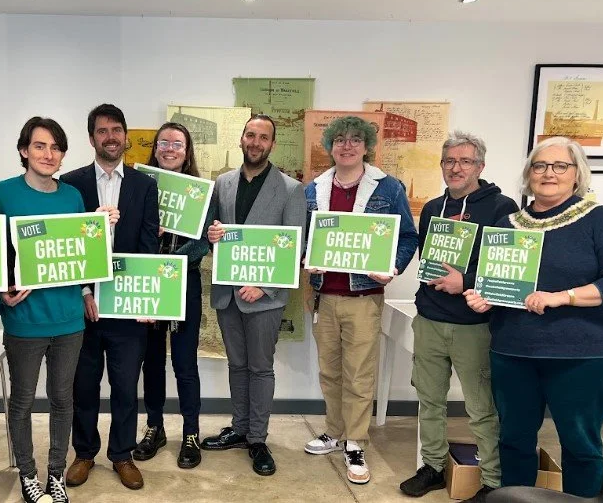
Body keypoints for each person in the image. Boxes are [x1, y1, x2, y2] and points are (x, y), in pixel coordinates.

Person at [464, 136, 603, 498]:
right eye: (540, 166)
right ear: (529, 173)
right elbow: (498, 284)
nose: (549, 173)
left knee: (580, 445)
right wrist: (484, 299)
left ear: (577, 173)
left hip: (581, 355)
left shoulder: (599, 219)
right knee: (514, 440)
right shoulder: (508, 224)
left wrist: (562, 297)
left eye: (560, 166)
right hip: (513, 351)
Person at [399, 132, 518, 502]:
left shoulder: (502, 207)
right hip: (430, 320)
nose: (456, 168)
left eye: (465, 161)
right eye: (449, 161)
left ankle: (493, 482)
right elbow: (428, 261)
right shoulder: (432, 208)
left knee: (481, 408)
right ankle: (433, 467)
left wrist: (464, 282)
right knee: (430, 400)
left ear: (480, 166)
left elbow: (506, 267)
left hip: (475, 326)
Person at [303, 115, 417, 485]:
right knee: (330, 370)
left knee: (359, 373)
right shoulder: (313, 189)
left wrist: (393, 267)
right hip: (323, 295)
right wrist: (305, 258)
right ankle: (335, 432)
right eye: (340, 139)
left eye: (355, 139)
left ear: (367, 146)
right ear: (330, 146)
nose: (347, 145)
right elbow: (303, 236)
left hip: (364, 296)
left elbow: (407, 236)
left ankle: (355, 442)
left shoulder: (388, 188)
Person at [0, 117, 89, 503]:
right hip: (24, 320)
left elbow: (83, 255)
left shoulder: (73, 197)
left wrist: (86, 291)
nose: (49, 154)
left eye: (56, 148)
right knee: (23, 402)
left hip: (69, 320)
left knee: (63, 399)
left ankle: (56, 473)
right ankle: (28, 474)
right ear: (24, 150)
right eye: (40, 146)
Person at [61, 103, 160, 491]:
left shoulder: (144, 185)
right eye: (102, 131)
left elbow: (149, 245)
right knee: (83, 387)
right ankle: (84, 453)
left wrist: (146, 298)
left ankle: (122, 454)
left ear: (125, 136)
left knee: (125, 387)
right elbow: (69, 247)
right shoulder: (71, 184)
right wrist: (85, 290)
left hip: (127, 309)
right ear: (92, 139)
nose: (110, 137)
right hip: (83, 309)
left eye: (116, 130)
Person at [201, 114, 306, 477]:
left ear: (272, 144)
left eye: (263, 137)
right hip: (228, 293)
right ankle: (240, 428)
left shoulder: (290, 189)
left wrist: (265, 286)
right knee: (237, 365)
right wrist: (212, 235)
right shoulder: (223, 182)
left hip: (265, 297)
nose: (256, 142)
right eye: (251, 135)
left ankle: (258, 439)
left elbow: (294, 246)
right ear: (242, 138)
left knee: (260, 368)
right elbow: (214, 230)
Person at [132, 122, 211, 469]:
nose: (169, 149)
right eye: (163, 142)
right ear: (155, 148)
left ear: (187, 151)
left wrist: (172, 263)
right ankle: (155, 427)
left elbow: (204, 242)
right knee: (151, 361)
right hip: (148, 282)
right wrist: (152, 232)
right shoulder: (139, 186)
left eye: (177, 144)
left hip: (184, 284)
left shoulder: (201, 194)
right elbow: (129, 234)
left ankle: (191, 432)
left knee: (184, 363)